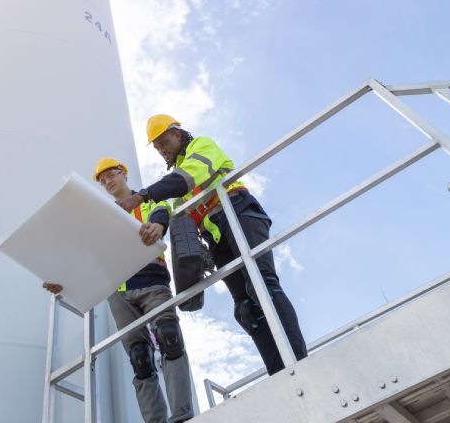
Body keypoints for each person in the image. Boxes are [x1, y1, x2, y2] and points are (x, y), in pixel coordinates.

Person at [117, 115, 308, 376]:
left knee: (262, 285)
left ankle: (300, 363)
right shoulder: (175, 185)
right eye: (158, 147)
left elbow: (190, 176)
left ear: (179, 133)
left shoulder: (201, 147)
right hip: (215, 236)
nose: (163, 149)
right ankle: (281, 373)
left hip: (238, 213)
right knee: (245, 308)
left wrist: (142, 195)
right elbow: (176, 214)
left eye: (165, 141)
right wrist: (160, 226)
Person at [43, 157, 193, 423]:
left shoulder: (150, 199)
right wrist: (63, 281)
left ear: (124, 174)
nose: (108, 182)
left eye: (112, 175)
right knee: (140, 358)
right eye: (103, 181)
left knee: (169, 336)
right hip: (120, 292)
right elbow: (88, 257)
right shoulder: (104, 216)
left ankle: (182, 416)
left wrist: (158, 226)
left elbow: (161, 214)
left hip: (153, 281)